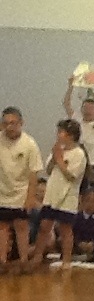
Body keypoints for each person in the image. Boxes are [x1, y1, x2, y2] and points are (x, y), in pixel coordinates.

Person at [31, 119, 87, 271]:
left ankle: (66, 260)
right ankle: (37, 257)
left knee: (65, 229)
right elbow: (49, 170)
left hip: (67, 196)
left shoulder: (79, 154)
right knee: (44, 226)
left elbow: (71, 176)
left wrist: (60, 160)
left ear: (70, 135)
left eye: (61, 132)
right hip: (52, 194)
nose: (58, 135)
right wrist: (55, 157)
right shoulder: (58, 150)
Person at [0, 106, 43, 274]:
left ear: (21, 123)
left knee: (21, 226)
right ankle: (2, 261)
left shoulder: (29, 144)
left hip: (21, 192)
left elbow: (34, 173)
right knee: (2, 227)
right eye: (6, 123)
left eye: (13, 123)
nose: (9, 127)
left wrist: (30, 197)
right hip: (2, 191)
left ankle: (24, 261)